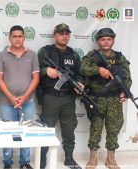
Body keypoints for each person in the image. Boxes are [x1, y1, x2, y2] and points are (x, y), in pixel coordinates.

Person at [80, 28, 132, 169]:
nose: (106, 42)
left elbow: (127, 78)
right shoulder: (92, 56)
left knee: (113, 129)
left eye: (109, 39)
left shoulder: (120, 57)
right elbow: (83, 69)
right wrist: (99, 70)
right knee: (95, 128)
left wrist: (124, 93)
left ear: (113, 40)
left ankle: (111, 159)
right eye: (103, 39)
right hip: (96, 99)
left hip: (115, 99)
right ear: (98, 41)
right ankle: (93, 159)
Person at [37, 23, 82, 169]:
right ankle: (42, 160)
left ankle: (69, 158)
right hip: (50, 97)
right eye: (61, 33)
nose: (64, 36)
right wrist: (45, 70)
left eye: (67, 33)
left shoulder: (74, 54)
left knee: (69, 128)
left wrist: (80, 84)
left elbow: (81, 74)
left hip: (68, 98)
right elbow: (34, 69)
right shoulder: (45, 52)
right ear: (55, 35)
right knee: (46, 130)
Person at [0, 25, 39, 169]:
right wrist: (11, 98)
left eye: (20, 36)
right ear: (10, 38)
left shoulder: (32, 54)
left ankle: (24, 163)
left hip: (28, 102)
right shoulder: (2, 55)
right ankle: (7, 164)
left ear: (24, 38)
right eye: (14, 36)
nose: (17, 39)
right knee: (8, 134)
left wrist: (25, 97)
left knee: (25, 133)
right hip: (7, 102)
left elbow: (36, 78)